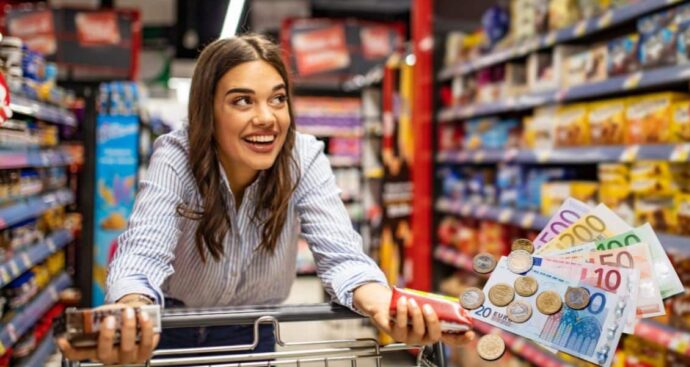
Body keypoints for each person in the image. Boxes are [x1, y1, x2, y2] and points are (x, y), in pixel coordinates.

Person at [57, 34, 475, 365]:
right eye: (242, 101)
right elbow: (142, 252)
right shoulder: (178, 154)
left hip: (254, 330)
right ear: (208, 111)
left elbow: (343, 256)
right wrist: (132, 311)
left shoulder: (303, 156)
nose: (267, 117)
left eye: (278, 98)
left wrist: (383, 303)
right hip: (171, 330)